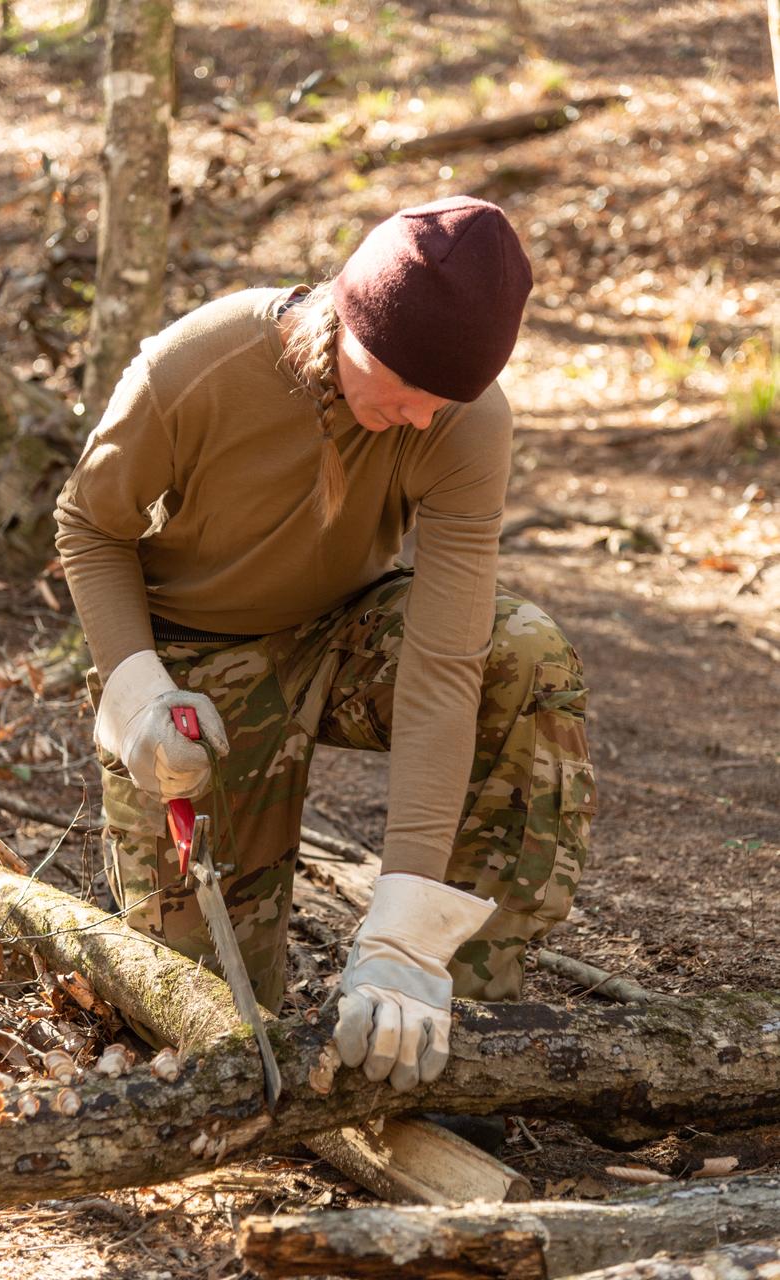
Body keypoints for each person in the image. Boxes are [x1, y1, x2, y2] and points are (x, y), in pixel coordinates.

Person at [55, 196, 596, 1095]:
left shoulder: (461, 423)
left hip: (346, 638)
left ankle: (451, 1024)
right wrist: (137, 689)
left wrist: (405, 930)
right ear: (351, 319)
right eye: (406, 389)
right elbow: (89, 526)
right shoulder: (198, 365)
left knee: (522, 655)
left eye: (445, 400)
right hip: (194, 671)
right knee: (211, 1029)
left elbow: (443, 663)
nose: (423, 420)